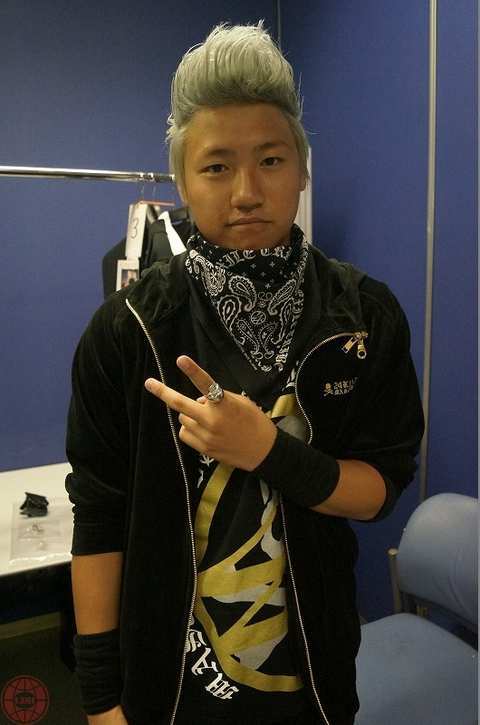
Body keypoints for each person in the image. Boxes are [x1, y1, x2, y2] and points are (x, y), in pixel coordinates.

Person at [66, 22, 424, 725]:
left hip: (316, 676)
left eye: (270, 159)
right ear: (181, 181)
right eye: (217, 167)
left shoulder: (364, 314)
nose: (247, 192)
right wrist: (100, 696)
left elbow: (380, 490)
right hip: (169, 683)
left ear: (303, 170)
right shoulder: (126, 330)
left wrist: (268, 451)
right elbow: (99, 515)